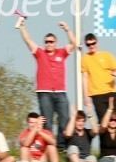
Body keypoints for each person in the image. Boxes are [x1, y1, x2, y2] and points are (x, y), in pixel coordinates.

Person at [17, 19, 76, 149]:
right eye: (47, 42)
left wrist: (67, 29)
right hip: (44, 92)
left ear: (56, 43)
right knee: (47, 121)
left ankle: (61, 147)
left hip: (60, 92)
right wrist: (22, 27)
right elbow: (28, 41)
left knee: (65, 119)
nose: (49, 44)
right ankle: (49, 147)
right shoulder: (40, 54)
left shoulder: (62, 53)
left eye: (51, 42)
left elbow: (74, 43)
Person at [82, 33, 116, 124]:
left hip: (111, 92)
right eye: (88, 44)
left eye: (93, 43)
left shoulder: (107, 55)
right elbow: (84, 77)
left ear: (97, 42)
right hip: (97, 94)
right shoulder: (85, 58)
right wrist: (86, 96)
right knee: (103, 123)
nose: (91, 46)